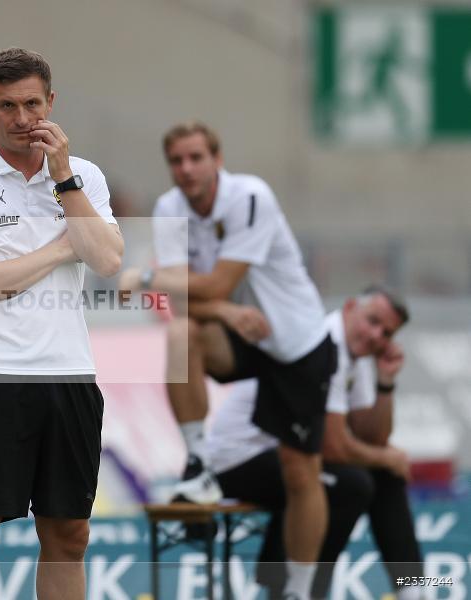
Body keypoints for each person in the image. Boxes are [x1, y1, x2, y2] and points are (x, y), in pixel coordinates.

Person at [0, 47, 123, 600]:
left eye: (33, 104)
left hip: (71, 374)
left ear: (51, 102)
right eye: (8, 106)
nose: (22, 119)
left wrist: (64, 177)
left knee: (69, 532)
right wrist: (62, 249)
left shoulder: (83, 176)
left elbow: (108, 260)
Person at [119, 121, 337, 600]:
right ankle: (198, 467)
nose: (186, 168)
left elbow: (211, 284)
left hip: (296, 343)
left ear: (218, 160)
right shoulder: (169, 207)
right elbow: (186, 304)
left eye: (196, 157)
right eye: (177, 160)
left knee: (303, 472)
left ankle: (300, 591)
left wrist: (149, 273)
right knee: (181, 334)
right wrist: (224, 310)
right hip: (242, 333)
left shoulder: (249, 195)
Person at [207, 286, 425, 599]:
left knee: (382, 476)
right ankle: (295, 589)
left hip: (284, 454)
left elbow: (372, 437)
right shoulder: (325, 343)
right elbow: (333, 447)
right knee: (351, 484)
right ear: (350, 307)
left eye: (386, 332)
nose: (377, 335)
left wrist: (386, 383)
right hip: (238, 458)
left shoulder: (361, 352)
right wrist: (386, 457)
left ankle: (412, 591)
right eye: (373, 321)